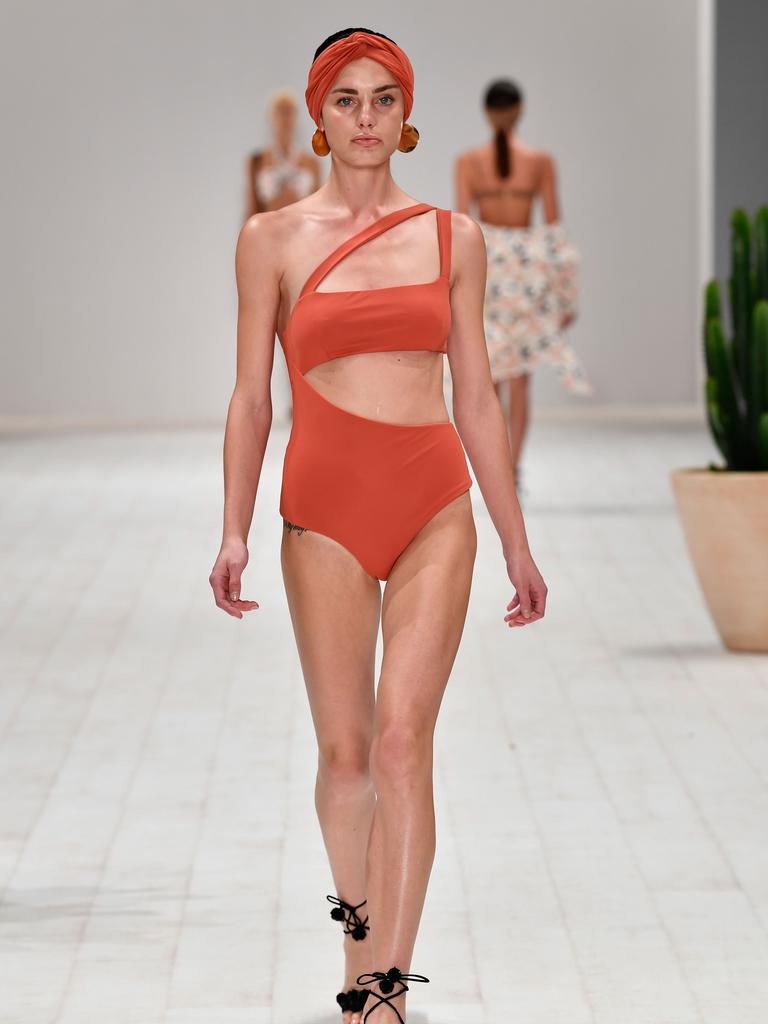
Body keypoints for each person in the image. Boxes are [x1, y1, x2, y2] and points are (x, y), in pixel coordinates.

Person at [210, 28, 547, 1024]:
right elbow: (250, 398)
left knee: (405, 744)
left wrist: (517, 541)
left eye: (383, 99)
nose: (365, 119)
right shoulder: (269, 240)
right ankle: (355, 953)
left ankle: (387, 987)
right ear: (318, 116)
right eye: (347, 100)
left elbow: (479, 399)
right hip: (322, 511)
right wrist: (232, 528)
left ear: (406, 116)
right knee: (347, 760)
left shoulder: (455, 237)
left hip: (433, 501)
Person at [454, 78, 591, 488]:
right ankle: (511, 468)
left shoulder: (468, 162)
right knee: (520, 379)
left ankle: (496, 468)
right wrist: (563, 294)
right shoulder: (540, 161)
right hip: (528, 271)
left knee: (488, 376)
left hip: (489, 266)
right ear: (520, 110)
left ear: (486, 111)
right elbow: (552, 229)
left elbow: (463, 223)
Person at [244, 87, 322, 219]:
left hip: (302, 234)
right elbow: (251, 210)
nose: (285, 118)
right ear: (270, 116)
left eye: (289, 112)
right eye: (280, 112)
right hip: (268, 234)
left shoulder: (312, 163)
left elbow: (318, 210)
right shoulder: (257, 161)